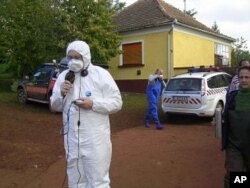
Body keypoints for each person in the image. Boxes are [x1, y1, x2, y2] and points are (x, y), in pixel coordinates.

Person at [50, 40, 122, 188]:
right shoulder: (64, 76)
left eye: (77, 57)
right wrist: (60, 94)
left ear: (86, 56)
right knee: (75, 180)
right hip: (72, 139)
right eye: (70, 57)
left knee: (98, 181)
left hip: (95, 139)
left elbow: (116, 102)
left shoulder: (101, 74)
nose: (73, 60)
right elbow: (54, 106)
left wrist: (93, 104)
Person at [222, 65, 250, 188]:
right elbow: (226, 119)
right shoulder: (232, 97)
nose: (244, 80)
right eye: (241, 77)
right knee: (236, 175)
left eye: (247, 77)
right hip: (234, 145)